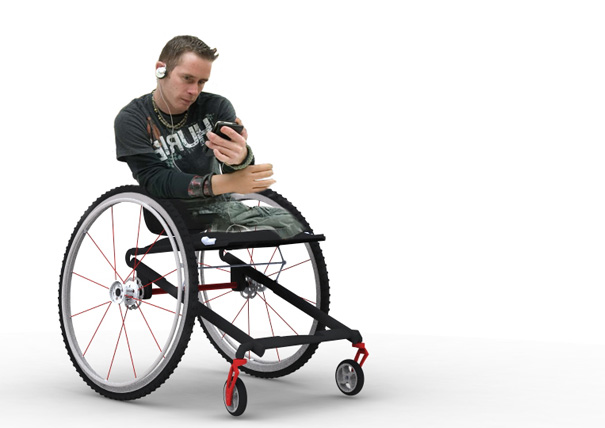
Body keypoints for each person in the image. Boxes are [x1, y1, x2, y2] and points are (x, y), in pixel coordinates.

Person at [115, 35, 303, 238]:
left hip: (220, 204)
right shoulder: (132, 118)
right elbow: (154, 180)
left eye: (201, 82)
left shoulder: (216, 107)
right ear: (161, 70)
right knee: (285, 223)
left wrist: (240, 158)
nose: (193, 91)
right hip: (168, 211)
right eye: (187, 78)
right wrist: (226, 183)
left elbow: (236, 175)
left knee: (294, 221)